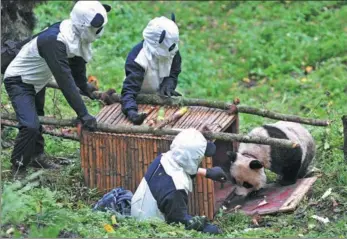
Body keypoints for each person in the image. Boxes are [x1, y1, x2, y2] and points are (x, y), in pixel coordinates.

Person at [3, 1, 111, 171]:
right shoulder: (55, 41)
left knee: (37, 117)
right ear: (84, 25)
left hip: (37, 79)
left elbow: (77, 69)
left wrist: (85, 87)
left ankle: (37, 156)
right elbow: (66, 81)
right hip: (19, 81)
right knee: (30, 126)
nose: (100, 31)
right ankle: (18, 167)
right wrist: (83, 114)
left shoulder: (74, 34)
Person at [131, 128, 227, 234]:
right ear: (194, 158)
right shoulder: (176, 190)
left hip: (139, 210)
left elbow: (182, 165)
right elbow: (180, 221)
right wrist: (209, 228)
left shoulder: (162, 159)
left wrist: (207, 172)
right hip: (151, 228)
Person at [121, 15, 182, 125]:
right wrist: (131, 112)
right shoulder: (138, 59)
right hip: (139, 98)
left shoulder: (171, 49)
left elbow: (174, 70)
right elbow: (129, 91)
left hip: (162, 100)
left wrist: (169, 83)